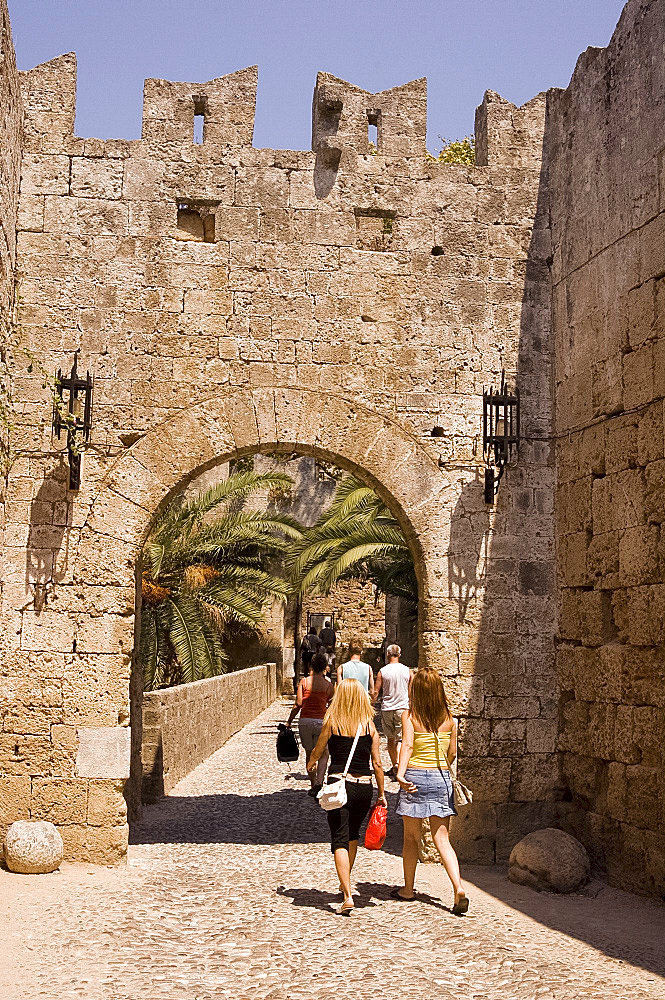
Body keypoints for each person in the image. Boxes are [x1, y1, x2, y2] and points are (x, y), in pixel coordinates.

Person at [308, 678, 386, 915]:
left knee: (339, 838)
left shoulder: (332, 722)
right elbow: (378, 763)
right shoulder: (370, 726)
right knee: (352, 835)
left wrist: (311, 764)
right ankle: (345, 885)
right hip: (363, 787)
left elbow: (318, 751)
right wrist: (382, 793)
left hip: (339, 785)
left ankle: (348, 895)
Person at [394, 667, 468, 915]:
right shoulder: (449, 718)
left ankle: (408, 889)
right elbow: (452, 753)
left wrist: (400, 774)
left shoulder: (410, 716)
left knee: (411, 838)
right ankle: (457, 886)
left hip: (415, 776)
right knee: (442, 838)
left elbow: (407, 745)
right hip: (441, 778)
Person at [286, 653, 333, 795]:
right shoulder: (328, 684)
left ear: (311, 666)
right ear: (325, 667)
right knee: (324, 753)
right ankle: (320, 781)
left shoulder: (304, 682)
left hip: (305, 721)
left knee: (309, 753)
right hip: (321, 722)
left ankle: (313, 785)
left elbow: (298, 704)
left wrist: (289, 721)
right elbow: (331, 703)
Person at [373, 644, 413, 781]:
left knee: (390, 738)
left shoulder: (383, 671)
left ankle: (395, 764)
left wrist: (371, 704)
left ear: (388, 654)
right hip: (403, 708)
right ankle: (401, 766)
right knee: (401, 738)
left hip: (387, 707)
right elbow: (411, 691)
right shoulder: (408, 671)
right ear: (399, 655)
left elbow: (376, 691)